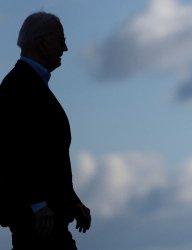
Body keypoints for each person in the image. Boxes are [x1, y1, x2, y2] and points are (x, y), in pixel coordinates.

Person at [0, 11, 91, 249]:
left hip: (47, 220)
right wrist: (35, 203)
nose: (65, 48)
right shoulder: (18, 86)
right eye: (60, 40)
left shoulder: (26, 84)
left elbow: (48, 158)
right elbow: (11, 152)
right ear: (41, 41)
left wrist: (72, 201)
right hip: (38, 224)